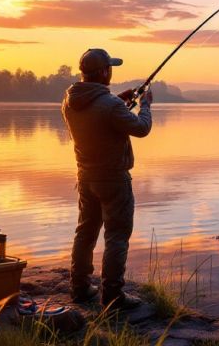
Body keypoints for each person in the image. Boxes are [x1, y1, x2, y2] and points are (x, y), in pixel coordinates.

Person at [61, 48, 152, 310]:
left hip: (85, 176)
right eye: (110, 67)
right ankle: (113, 296)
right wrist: (145, 105)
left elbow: (99, 117)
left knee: (85, 232)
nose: (111, 71)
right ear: (103, 72)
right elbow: (141, 128)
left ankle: (79, 288)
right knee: (117, 236)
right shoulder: (110, 105)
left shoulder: (69, 100)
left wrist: (118, 100)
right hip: (113, 180)